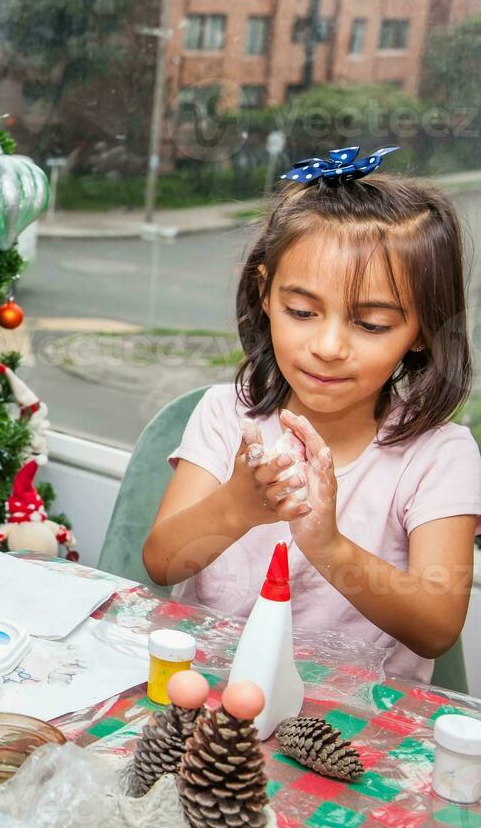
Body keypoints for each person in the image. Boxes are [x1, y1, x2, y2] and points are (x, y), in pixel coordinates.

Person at [143, 154, 481, 683]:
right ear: (264, 294)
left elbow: (437, 627)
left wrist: (329, 545)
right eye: (302, 312)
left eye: (370, 324)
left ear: (421, 331)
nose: (327, 347)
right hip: (211, 695)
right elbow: (162, 564)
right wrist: (237, 505)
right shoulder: (225, 415)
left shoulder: (439, 455)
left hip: (352, 725)